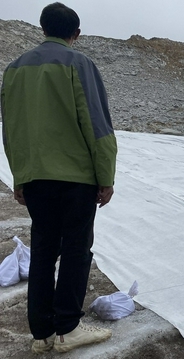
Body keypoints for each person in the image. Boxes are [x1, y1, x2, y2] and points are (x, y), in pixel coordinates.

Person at [1, 2, 117, 354]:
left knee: (44, 250)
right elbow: (96, 125)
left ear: (42, 29)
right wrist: (105, 177)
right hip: (75, 178)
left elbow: (12, 129)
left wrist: (20, 177)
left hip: (35, 178)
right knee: (77, 251)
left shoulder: (14, 69)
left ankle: (42, 335)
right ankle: (68, 327)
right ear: (75, 34)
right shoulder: (78, 63)